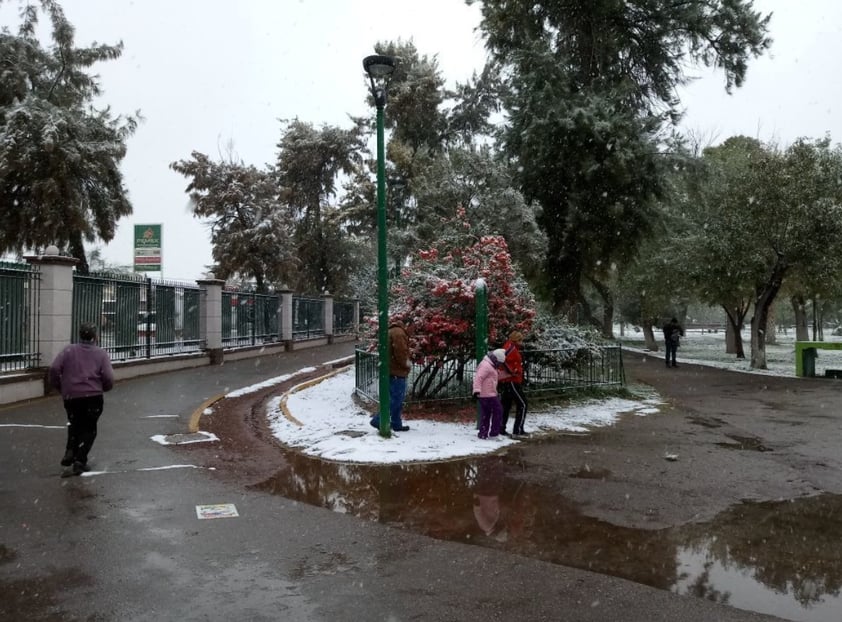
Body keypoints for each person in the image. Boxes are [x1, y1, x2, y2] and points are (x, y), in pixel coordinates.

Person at [49, 322, 115, 477]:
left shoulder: (68, 350)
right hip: (93, 396)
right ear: (95, 336)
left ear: (80, 335)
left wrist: (60, 387)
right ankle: (80, 460)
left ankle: (70, 451)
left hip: (71, 397)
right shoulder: (100, 354)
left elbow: (54, 369)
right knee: (90, 428)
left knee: (74, 423)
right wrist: (104, 387)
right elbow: (108, 377)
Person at [370, 319, 411, 432]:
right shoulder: (399, 333)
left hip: (389, 370)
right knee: (397, 399)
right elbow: (401, 352)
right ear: (407, 324)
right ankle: (379, 419)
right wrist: (407, 364)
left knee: (395, 398)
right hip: (396, 371)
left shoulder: (391, 331)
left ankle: (396, 423)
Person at [498, 330, 528, 436]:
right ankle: (518, 429)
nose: (522, 342)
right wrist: (512, 371)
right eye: (520, 340)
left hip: (509, 380)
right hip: (511, 380)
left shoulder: (510, 346)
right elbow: (502, 360)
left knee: (506, 405)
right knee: (523, 404)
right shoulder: (511, 348)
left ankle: (501, 428)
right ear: (517, 339)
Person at [472, 348, 506, 439]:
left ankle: (483, 433)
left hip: (487, 393)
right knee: (498, 411)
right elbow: (479, 378)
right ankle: (494, 433)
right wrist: (476, 390)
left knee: (486, 413)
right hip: (488, 394)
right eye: (499, 363)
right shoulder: (486, 366)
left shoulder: (490, 365)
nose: (499, 365)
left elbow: (492, 377)